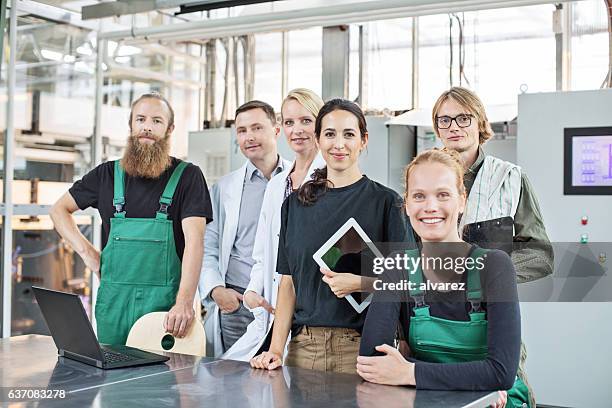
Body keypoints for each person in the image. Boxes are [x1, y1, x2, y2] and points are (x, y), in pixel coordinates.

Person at [358, 148, 531, 408]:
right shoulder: (398, 267)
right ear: (406, 204)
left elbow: (501, 373)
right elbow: (372, 361)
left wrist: (409, 372)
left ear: (462, 200)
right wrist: (474, 381)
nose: (430, 207)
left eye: (443, 195)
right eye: (419, 196)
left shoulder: (494, 266)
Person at [250, 98, 413, 373]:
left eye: (349, 134)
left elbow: (408, 282)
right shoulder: (295, 205)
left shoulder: (386, 203)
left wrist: (361, 282)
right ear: (318, 139)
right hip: (303, 349)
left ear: (364, 140)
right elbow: (288, 284)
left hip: (364, 350)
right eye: (329, 134)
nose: (339, 144)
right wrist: (275, 350)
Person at [50, 92, 212, 345]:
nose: (147, 126)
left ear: (169, 129)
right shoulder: (106, 175)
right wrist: (89, 254)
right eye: (141, 119)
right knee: (112, 379)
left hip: (166, 309)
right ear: (131, 125)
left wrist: (184, 302)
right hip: (114, 306)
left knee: (162, 380)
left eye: (157, 121)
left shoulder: (188, 177)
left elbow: (195, 242)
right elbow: (59, 211)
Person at [224, 89, 325, 361]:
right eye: (290, 122)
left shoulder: (331, 178)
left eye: (306, 120)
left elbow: (339, 250)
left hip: (312, 313)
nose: (297, 130)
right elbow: (262, 252)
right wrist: (253, 291)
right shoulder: (279, 184)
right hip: (270, 312)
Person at [432, 87, 553, 284]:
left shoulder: (510, 178)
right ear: (438, 128)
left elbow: (541, 255)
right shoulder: (423, 177)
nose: (453, 127)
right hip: (429, 303)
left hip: (489, 306)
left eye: (463, 118)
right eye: (445, 120)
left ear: (480, 123)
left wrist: (488, 272)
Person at [199, 100, 291, 357]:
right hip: (237, 306)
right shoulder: (224, 188)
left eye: (257, 127)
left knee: (283, 386)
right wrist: (216, 290)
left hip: (284, 302)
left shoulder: (299, 180)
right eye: (241, 131)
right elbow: (208, 245)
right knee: (232, 385)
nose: (249, 137)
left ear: (276, 129)